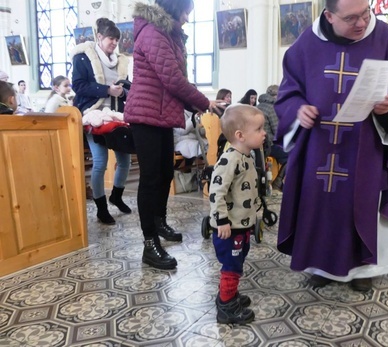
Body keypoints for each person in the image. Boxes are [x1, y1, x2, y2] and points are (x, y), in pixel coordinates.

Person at [274, 0, 388, 292]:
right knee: (319, 205)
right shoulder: (306, 44)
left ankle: (364, 267)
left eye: (366, 13)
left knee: (363, 203)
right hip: (319, 144)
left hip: (365, 147)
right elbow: (288, 92)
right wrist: (298, 109)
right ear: (329, 16)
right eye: (351, 18)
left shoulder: (386, 38)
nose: (362, 23)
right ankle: (321, 265)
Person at [125, 0, 223, 270]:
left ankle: (159, 222)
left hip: (161, 114)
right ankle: (149, 243)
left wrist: (197, 103)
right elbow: (173, 80)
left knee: (165, 174)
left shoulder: (167, 34)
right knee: (151, 178)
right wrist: (206, 103)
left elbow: (174, 80)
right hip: (146, 115)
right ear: (173, 8)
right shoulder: (153, 33)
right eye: (186, 14)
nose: (187, 20)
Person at [71, 17, 132, 225]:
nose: (114, 43)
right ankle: (101, 207)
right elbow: (78, 85)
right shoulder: (83, 58)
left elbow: (126, 86)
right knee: (100, 163)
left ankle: (116, 195)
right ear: (99, 37)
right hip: (92, 113)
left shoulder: (120, 61)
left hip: (116, 114)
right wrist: (106, 90)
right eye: (110, 39)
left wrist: (123, 90)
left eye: (116, 39)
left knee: (125, 161)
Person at [209, 104, 265, 324]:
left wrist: (258, 207)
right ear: (240, 135)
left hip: (242, 224)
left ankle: (229, 295)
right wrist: (221, 220)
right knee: (231, 267)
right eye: (259, 129)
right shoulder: (229, 160)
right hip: (228, 227)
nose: (264, 133)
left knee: (238, 261)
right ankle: (226, 307)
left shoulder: (247, 156)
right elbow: (216, 192)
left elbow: (249, 187)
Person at [256, 84, 288, 190]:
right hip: (269, 145)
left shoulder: (258, 107)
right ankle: (278, 182)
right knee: (292, 155)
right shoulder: (272, 108)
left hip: (257, 144)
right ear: (276, 96)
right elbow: (278, 131)